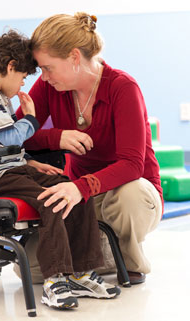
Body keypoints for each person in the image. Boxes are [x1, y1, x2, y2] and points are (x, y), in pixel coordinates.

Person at [0, 29, 121, 310]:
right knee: (52, 201)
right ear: (11, 66)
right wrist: (33, 119)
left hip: (11, 169)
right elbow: (10, 137)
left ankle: (81, 272)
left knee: (72, 188)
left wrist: (29, 162)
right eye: (23, 77)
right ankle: (54, 281)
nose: (24, 83)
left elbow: (7, 146)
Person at [15, 12, 163, 285]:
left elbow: (132, 165)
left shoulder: (122, 87)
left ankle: (128, 259)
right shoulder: (50, 86)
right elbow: (14, 135)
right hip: (84, 197)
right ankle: (105, 250)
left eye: (48, 67)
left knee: (131, 195)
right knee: (31, 267)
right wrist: (55, 137)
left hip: (130, 193)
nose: (44, 76)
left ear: (73, 57)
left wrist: (79, 187)